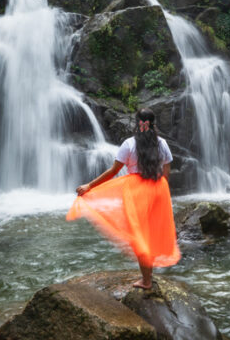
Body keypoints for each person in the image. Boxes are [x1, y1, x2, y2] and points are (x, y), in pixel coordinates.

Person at [67, 108, 180, 289]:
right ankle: (148, 276)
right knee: (151, 233)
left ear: (137, 124)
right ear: (154, 124)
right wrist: (158, 188)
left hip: (135, 191)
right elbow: (166, 173)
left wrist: (89, 186)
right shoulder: (162, 143)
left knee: (139, 235)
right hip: (158, 189)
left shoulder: (129, 144)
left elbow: (113, 172)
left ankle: (146, 280)